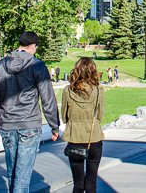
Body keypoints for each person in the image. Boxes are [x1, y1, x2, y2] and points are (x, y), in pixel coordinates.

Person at [0, 31, 60, 193]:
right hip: (29, 124)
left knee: (12, 174)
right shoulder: (37, 66)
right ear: (32, 46)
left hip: (7, 125)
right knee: (22, 177)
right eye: (36, 48)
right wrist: (54, 125)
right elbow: (47, 98)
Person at [61, 57, 105, 193]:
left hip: (75, 137)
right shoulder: (98, 91)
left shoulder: (68, 90)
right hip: (94, 137)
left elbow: (64, 116)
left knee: (78, 183)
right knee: (91, 182)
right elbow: (100, 115)